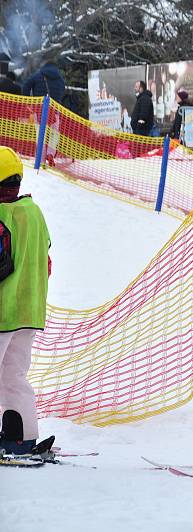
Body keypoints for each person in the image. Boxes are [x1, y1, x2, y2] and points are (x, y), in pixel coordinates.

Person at [0, 146, 52, 455]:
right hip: (28, 313)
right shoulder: (34, 213)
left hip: (2, 313)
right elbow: (46, 261)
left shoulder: (2, 215)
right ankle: (22, 438)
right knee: (13, 376)